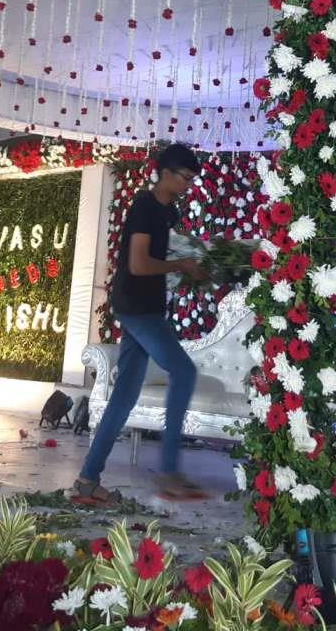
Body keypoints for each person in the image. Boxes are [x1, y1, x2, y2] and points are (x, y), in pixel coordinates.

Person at [71, 143, 210, 505]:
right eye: (184, 177)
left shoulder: (167, 212)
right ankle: (168, 472)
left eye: (191, 180)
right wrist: (180, 266)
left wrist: (188, 261)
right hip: (137, 307)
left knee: (124, 397)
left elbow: (159, 256)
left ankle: (87, 480)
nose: (187, 185)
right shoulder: (145, 207)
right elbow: (137, 264)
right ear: (165, 172)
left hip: (145, 306)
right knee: (184, 371)